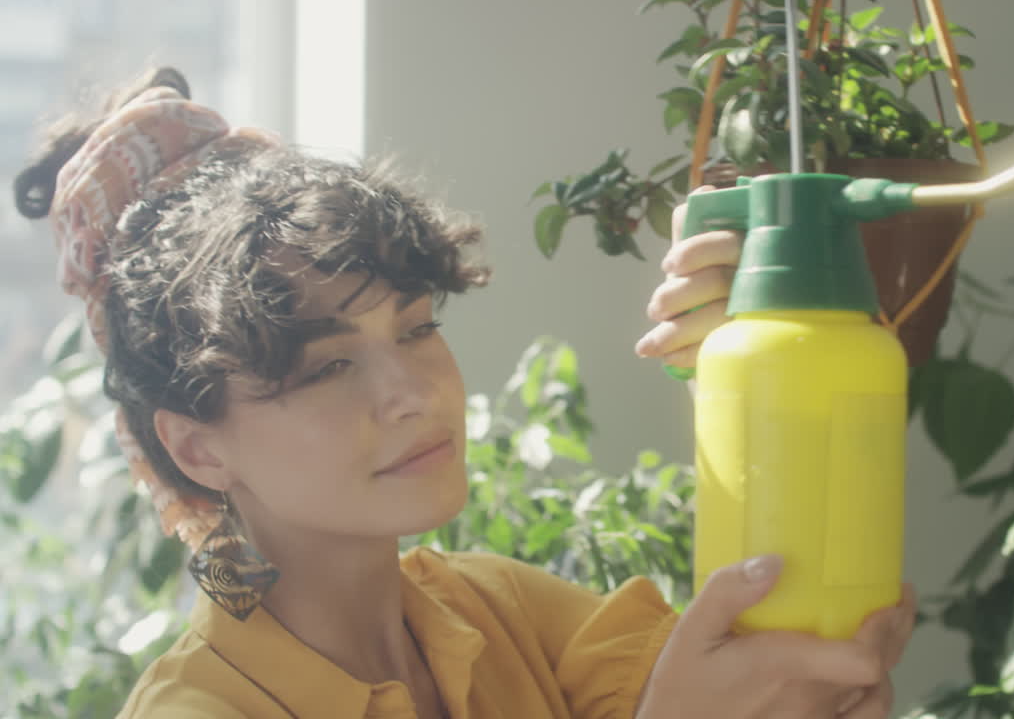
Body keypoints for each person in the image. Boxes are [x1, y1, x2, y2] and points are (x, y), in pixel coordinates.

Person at [13, 66, 916, 719]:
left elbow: (782, 667)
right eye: (328, 366)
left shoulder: (503, 614)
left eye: (415, 327)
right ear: (197, 447)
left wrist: (759, 349)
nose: (412, 391)